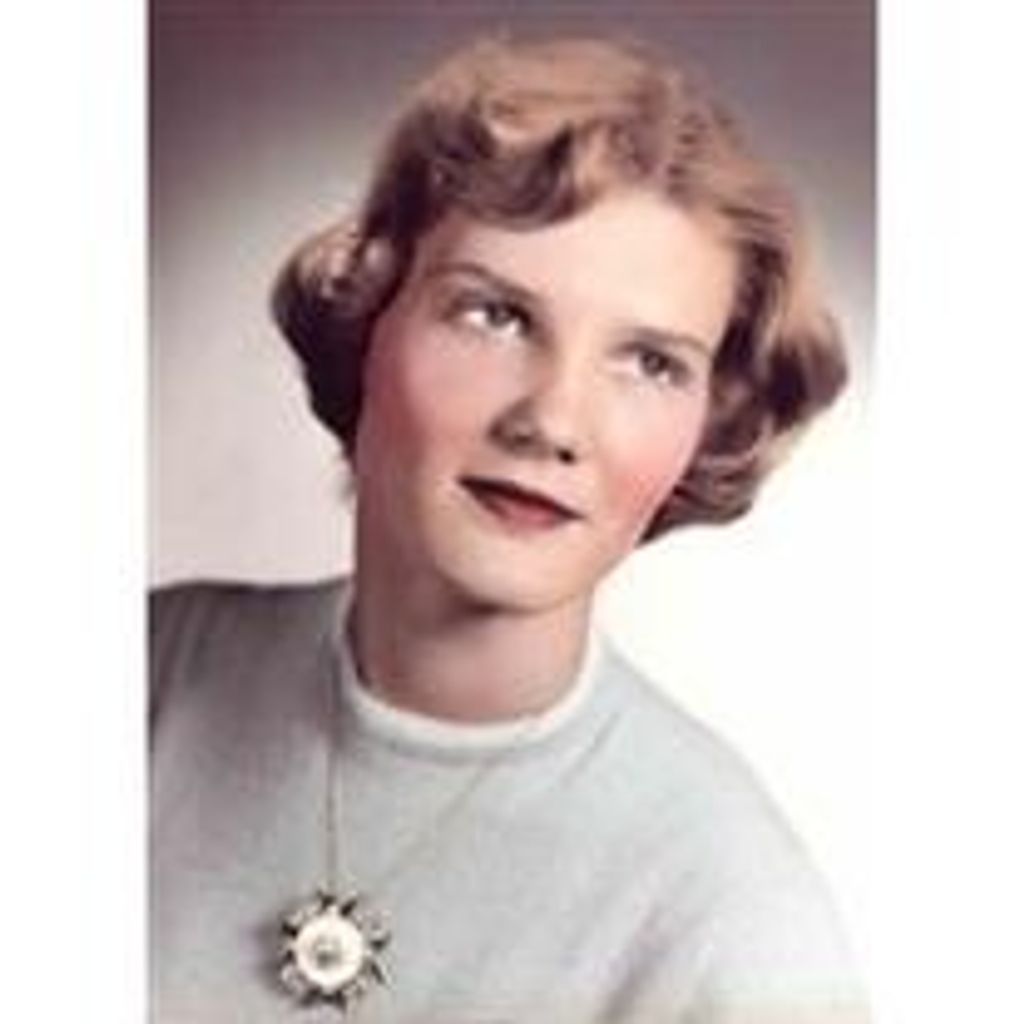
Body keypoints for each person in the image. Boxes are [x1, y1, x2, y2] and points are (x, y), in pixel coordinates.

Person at [150, 34, 869, 1023]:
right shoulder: (148, 673)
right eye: (494, 315)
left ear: (712, 423)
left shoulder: (737, 928)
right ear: (369, 318)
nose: (553, 421)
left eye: (651, 363)